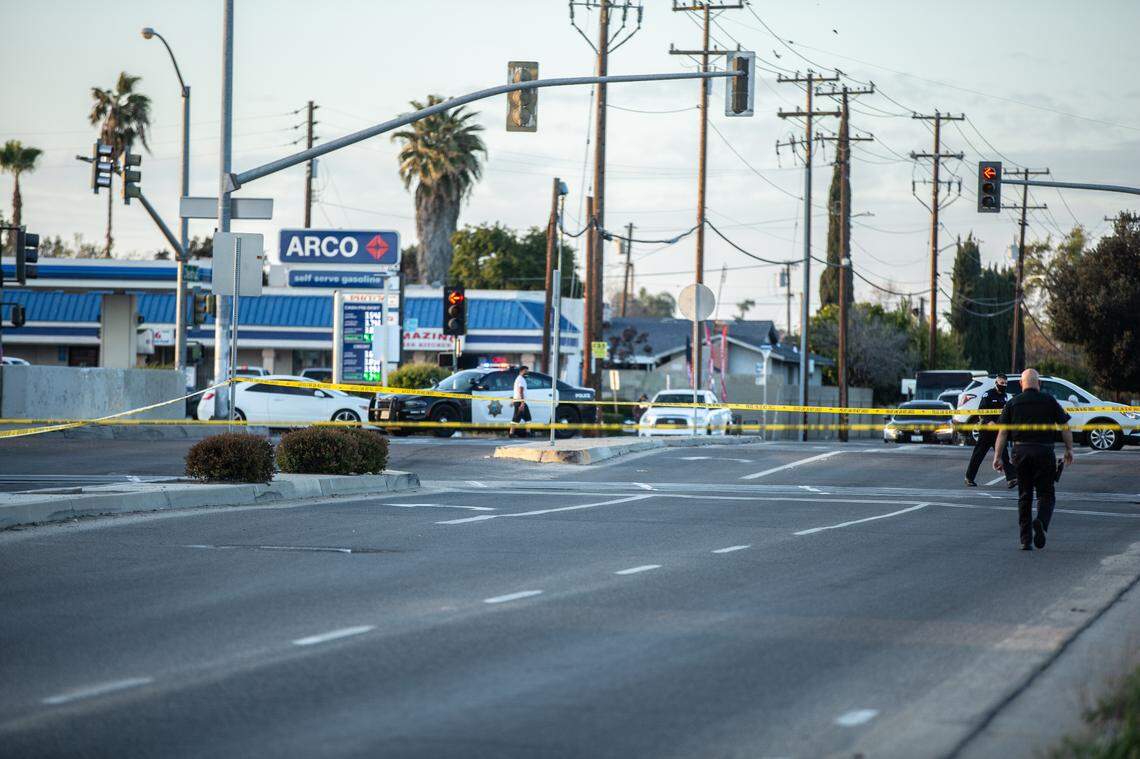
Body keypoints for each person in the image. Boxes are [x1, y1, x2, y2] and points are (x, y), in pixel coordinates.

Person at [993, 368, 1074, 551]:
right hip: (1044, 451)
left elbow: (1003, 432)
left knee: (1024, 496)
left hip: (1020, 452)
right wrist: (1069, 449)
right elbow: (1065, 426)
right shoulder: (1049, 400)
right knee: (1046, 494)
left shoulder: (1013, 403)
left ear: (1021, 384)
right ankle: (1041, 522)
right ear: (1039, 383)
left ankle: (1025, 540)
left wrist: (998, 456)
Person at [965, 374, 1016, 488]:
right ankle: (969, 478)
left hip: (998, 431)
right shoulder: (988, 394)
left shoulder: (1005, 397)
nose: (1004, 385)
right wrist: (989, 422)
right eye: (1001, 383)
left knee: (1004, 455)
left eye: (1005, 384)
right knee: (978, 455)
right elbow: (981, 411)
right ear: (996, 383)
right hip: (986, 430)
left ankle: (1011, 479)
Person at [509, 365, 532, 438]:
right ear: (521, 371)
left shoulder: (520, 379)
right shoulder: (521, 379)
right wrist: (522, 403)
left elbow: (516, 391)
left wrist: (514, 401)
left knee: (528, 417)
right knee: (516, 418)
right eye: (525, 371)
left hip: (519, 401)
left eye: (527, 371)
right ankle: (511, 433)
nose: (527, 373)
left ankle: (528, 433)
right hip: (520, 401)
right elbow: (520, 391)